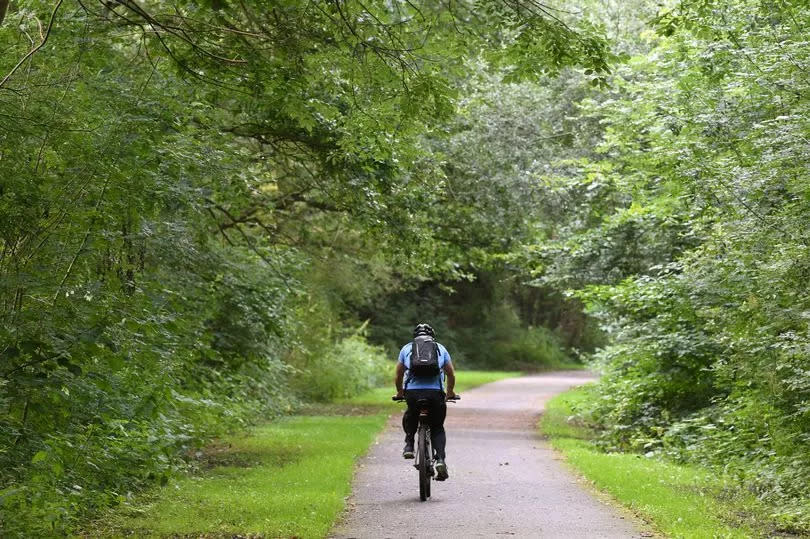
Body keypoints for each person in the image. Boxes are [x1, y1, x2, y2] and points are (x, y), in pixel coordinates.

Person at [394, 323, 456, 481]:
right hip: (435, 393)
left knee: (411, 414)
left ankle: (409, 444)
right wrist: (449, 393)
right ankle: (440, 460)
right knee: (437, 427)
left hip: (413, 394)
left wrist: (400, 392)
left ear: (415, 335)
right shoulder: (440, 348)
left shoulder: (407, 348)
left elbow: (398, 375)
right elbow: (451, 374)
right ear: (432, 335)